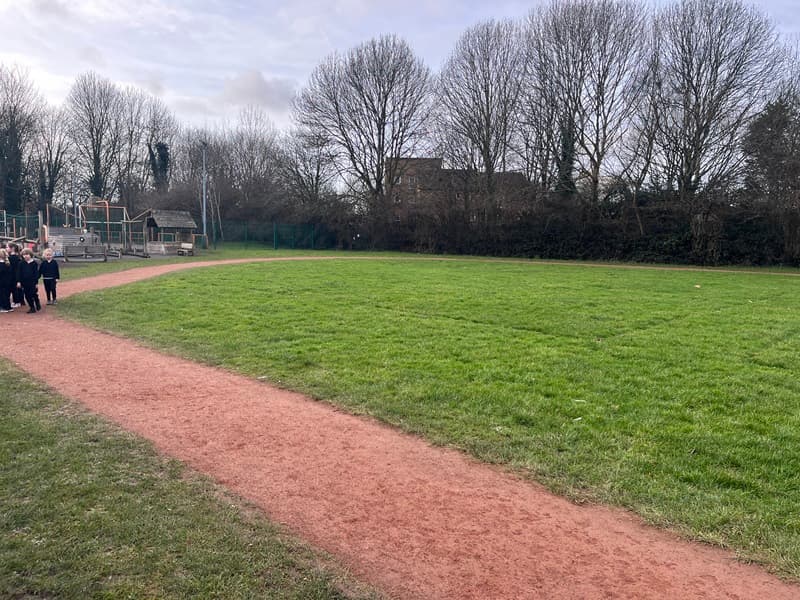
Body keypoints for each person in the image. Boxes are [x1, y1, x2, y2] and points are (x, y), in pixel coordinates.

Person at [16, 248, 41, 314]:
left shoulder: (34, 263)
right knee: (27, 295)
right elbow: (19, 273)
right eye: (24, 255)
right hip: (24, 282)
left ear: (30, 254)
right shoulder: (21, 263)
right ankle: (32, 307)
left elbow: (36, 273)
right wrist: (18, 281)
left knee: (33, 294)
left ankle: (37, 302)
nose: (25, 256)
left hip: (32, 282)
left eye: (27, 254)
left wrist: (36, 282)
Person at [7, 243, 24, 308]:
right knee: (16, 289)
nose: (6, 248)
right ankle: (18, 301)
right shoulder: (16, 257)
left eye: (7, 247)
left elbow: (15, 268)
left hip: (13, 276)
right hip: (13, 275)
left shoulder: (13, 258)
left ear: (12, 248)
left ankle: (17, 301)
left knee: (15, 289)